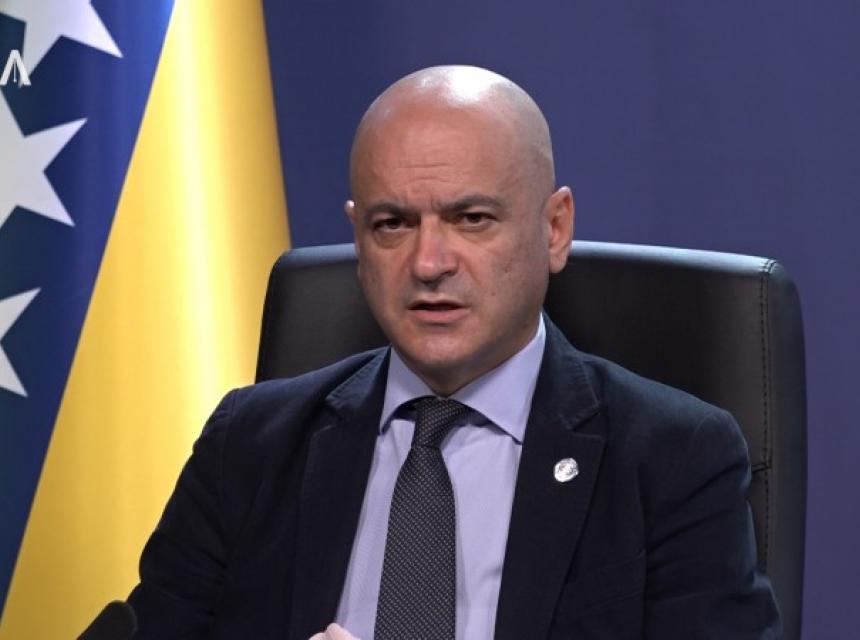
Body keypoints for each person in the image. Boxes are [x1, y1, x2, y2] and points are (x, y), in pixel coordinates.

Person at [126, 66, 781, 639]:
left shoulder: (671, 460)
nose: (429, 263)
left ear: (555, 229)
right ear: (358, 239)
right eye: (393, 224)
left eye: (472, 219)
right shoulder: (249, 447)